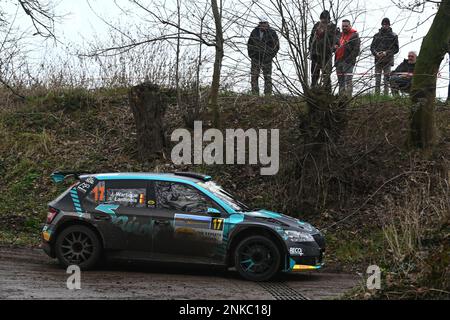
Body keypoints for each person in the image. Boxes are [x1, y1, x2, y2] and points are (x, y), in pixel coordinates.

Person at [247, 18, 280, 96]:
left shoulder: (272, 33)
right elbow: (249, 44)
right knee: (254, 76)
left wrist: (270, 55)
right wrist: (252, 55)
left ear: (267, 23)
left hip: (267, 58)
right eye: (261, 23)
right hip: (256, 58)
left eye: (264, 23)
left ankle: (268, 94)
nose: (263, 25)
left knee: (267, 76)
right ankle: (255, 94)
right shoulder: (254, 32)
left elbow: (276, 46)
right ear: (259, 23)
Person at [309, 10, 340, 90]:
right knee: (314, 73)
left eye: (325, 20)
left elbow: (337, 40)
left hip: (326, 54)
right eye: (322, 20)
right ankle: (313, 88)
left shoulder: (333, 27)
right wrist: (310, 50)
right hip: (315, 54)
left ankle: (327, 90)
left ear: (328, 19)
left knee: (326, 74)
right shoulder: (316, 26)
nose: (323, 22)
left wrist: (333, 47)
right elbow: (311, 39)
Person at [370, 18, 399, 95]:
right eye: (383, 24)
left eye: (386, 24)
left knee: (386, 80)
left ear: (389, 25)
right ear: (381, 25)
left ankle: (385, 96)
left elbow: (396, 49)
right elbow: (372, 47)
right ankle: (376, 96)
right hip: (378, 60)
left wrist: (386, 53)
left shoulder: (394, 35)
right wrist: (376, 53)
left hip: (388, 61)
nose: (384, 26)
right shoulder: (376, 35)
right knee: (377, 80)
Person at [335, 19, 361, 97]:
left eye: (346, 26)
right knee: (340, 81)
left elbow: (356, 50)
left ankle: (348, 97)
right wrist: (335, 47)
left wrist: (348, 60)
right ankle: (341, 97)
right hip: (338, 60)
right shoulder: (339, 35)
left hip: (348, 61)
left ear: (350, 26)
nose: (344, 28)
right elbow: (335, 45)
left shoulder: (354, 35)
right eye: (343, 26)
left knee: (348, 80)